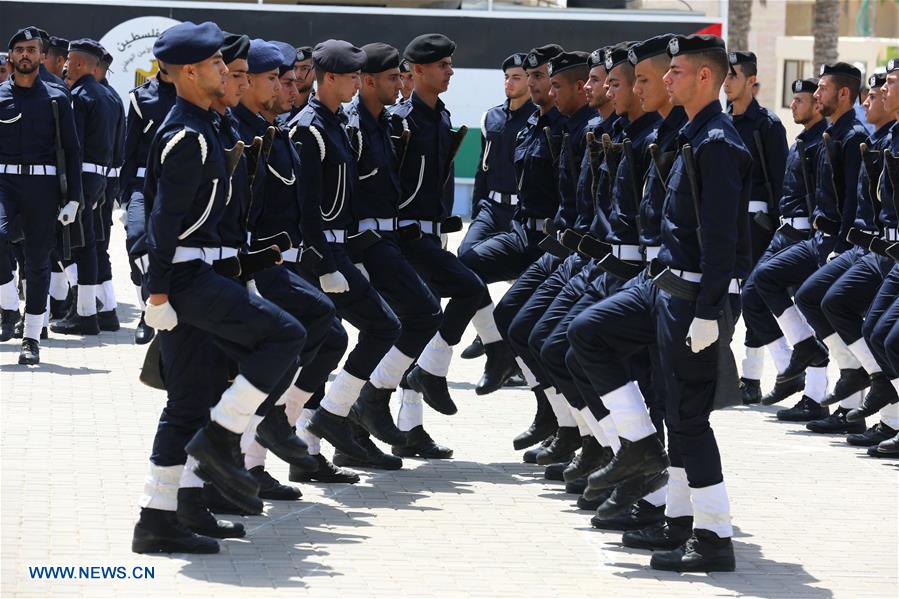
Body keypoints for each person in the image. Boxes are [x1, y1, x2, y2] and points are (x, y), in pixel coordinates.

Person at [568, 34, 751, 572]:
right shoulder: (694, 134)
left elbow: (722, 241)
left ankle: (714, 537)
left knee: (690, 419)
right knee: (588, 333)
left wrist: (708, 312)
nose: (666, 81)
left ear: (703, 78)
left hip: (695, 294)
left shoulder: (718, 142)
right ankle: (642, 451)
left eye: (675, 72)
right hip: (663, 287)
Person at [131, 21, 305, 554]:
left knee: (186, 400)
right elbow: (163, 223)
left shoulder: (205, 126)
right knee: (284, 336)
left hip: (199, 275)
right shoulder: (186, 134)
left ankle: (160, 518)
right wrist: (156, 294)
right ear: (189, 72)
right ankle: (222, 438)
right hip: (186, 280)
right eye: (216, 67)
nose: (227, 73)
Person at [230, 38, 358, 488]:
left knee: (318, 335)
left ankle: (260, 449)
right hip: (254, 267)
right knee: (297, 339)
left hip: (279, 262)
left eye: (290, 79)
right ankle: (251, 454)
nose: (290, 88)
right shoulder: (241, 133)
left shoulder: (274, 131)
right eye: (278, 80)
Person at [293, 39, 402, 462]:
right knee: (326, 342)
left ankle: (330, 418)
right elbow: (305, 207)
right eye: (352, 76)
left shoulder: (336, 124)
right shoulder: (310, 129)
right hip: (320, 255)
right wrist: (322, 264)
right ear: (330, 78)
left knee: (377, 328)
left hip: (341, 251)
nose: (359, 82)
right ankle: (309, 440)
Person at [341, 41, 451, 463]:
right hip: (362, 248)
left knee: (406, 322)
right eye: (392, 78)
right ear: (368, 81)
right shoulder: (354, 127)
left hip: (390, 243)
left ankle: (360, 417)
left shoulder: (385, 125)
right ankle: (338, 424)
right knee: (332, 340)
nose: (399, 84)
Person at [749, 63, 869, 435]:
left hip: (835, 242)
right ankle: (812, 356)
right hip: (817, 240)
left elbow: (852, 200)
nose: (816, 97)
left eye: (822, 90)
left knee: (827, 306)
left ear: (843, 94)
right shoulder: (831, 134)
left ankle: (853, 398)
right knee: (774, 285)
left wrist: (840, 245)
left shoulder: (851, 137)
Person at [386, 34, 488, 432]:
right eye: (442, 65)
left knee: (422, 324)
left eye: (450, 64)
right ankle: (368, 414)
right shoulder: (400, 122)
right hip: (405, 242)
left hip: (432, 238)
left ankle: (410, 426)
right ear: (417, 71)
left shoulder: (442, 118)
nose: (450, 71)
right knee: (452, 299)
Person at [738, 78, 826, 406]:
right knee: (752, 296)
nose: (795, 106)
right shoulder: (802, 140)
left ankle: (812, 386)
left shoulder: (821, 142)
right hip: (783, 232)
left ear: (818, 105)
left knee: (809, 306)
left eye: (801, 100)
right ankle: (791, 363)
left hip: (805, 235)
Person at [0, 26, 82, 363]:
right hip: (3, 184)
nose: (25, 55)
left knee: (37, 262)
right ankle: (7, 306)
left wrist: (74, 198)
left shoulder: (56, 97)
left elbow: (72, 150)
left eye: (31, 50)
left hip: (43, 188)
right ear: (10, 57)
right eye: (19, 49)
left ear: (41, 56)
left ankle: (31, 337)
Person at [722, 51, 789, 397]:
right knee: (727, 296)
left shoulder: (768, 125)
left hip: (758, 225)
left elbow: (780, 181)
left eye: (733, 75)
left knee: (752, 298)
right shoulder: (722, 121)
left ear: (751, 81)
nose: (727, 81)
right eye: (725, 75)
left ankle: (751, 378)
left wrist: (778, 229)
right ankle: (726, 373)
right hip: (725, 223)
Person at [120, 61, 177, 345]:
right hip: (142, 185)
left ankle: (156, 310)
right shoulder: (141, 97)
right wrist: (124, 198)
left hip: (177, 184)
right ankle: (146, 311)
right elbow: (128, 151)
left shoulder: (191, 93)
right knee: (137, 239)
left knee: (169, 247)